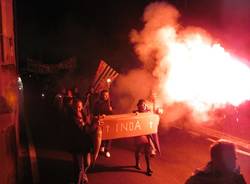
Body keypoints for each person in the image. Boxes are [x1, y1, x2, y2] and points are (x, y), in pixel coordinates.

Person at [133, 99, 153, 176]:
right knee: (138, 150)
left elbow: (154, 118)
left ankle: (149, 168)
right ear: (138, 106)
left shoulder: (149, 113)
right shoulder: (135, 113)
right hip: (139, 134)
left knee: (147, 151)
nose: (143, 106)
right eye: (141, 105)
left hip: (147, 134)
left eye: (144, 105)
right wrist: (135, 115)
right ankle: (137, 163)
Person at [93, 89, 113, 158]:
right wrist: (100, 115)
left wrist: (111, 110)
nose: (106, 96)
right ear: (101, 95)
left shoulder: (110, 103)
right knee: (101, 134)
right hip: (100, 121)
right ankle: (102, 146)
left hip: (109, 122)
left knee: (110, 135)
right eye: (104, 95)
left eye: (107, 95)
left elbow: (112, 114)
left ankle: (107, 150)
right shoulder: (97, 103)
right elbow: (94, 112)